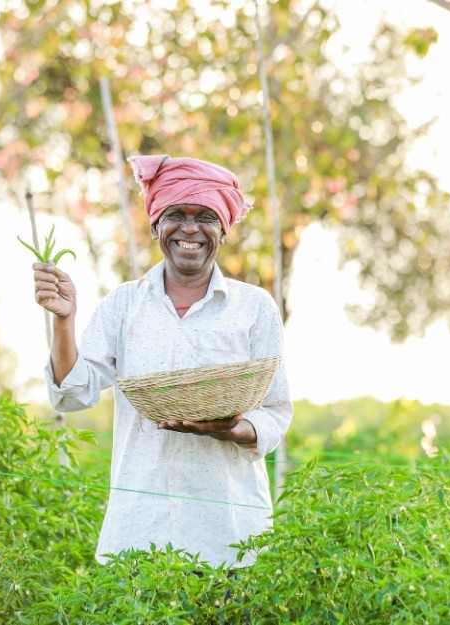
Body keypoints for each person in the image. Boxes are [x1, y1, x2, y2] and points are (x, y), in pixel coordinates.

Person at [32, 154, 292, 569]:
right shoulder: (124, 304)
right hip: (138, 537)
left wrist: (228, 429)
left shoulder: (254, 308)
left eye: (205, 216)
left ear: (223, 230)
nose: (190, 227)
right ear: (156, 226)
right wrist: (64, 320)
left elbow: (275, 414)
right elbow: (72, 395)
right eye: (175, 214)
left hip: (228, 537)